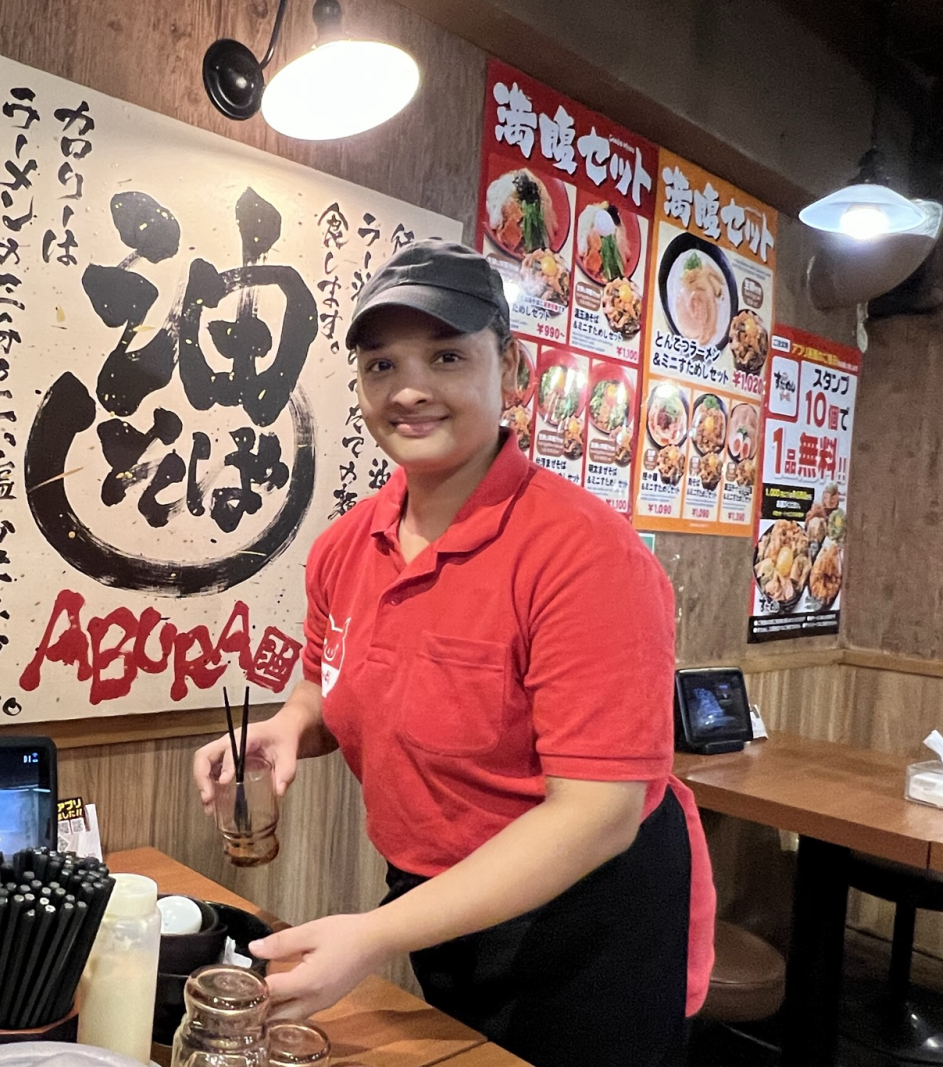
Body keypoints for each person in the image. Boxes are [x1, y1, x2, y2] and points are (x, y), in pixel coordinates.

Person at [193, 239, 714, 1067]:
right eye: (380, 363)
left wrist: (374, 935)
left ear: (513, 371)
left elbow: (598, 813)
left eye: (446, 355)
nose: (408, 389)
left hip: (586, 919)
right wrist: (291, 725)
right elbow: (329, 682)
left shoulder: (585, 555)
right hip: (437, 899)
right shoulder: (343, 547)